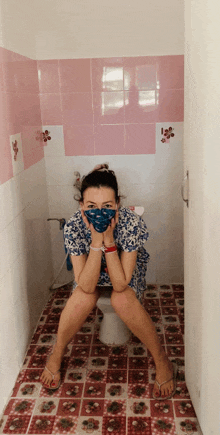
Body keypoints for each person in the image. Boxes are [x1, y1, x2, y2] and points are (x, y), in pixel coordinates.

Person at [40, 164, 177, 399]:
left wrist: (109, 239)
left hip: (123, 271)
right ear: (81, 206)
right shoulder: (74, 226)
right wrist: (96, 241)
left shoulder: (130, 223)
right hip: (90, 274)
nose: (99, 212)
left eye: (107, 206)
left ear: (118, 206)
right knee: (83, 296)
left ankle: (161, 359)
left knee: (121, 299)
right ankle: (57, 352)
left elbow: (122, 283)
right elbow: (86, 286)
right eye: (91, 206)